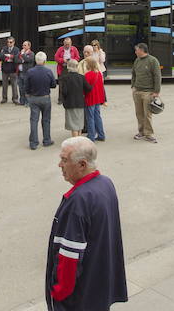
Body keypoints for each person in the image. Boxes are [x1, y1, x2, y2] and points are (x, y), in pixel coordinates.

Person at [46, 137, 127, 310]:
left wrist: (58, 293)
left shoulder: (78, 200)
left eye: (64, 160)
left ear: (82, 165)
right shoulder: (106, 183)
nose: (60, 165)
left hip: (81, 297)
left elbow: (69, 257)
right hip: (99, 286)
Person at [23, 51, 57, 150]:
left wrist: (28, 94)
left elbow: (26, 86)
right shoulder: (48, 71)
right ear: (45, 61)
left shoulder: (30, 71)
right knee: (46, 120)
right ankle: (46, 140)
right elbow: (53, 85)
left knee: (34, 120)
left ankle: (33, 143)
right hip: (45, 98)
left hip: (33, 98)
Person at [131, 43, 161, 143]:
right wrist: (133, 86)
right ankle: (141, 132)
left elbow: (157, 76)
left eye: (136, 50)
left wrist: (156, 91)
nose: (135, 52)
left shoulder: (153, 60)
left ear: (142, 50)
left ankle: (149, 134)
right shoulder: (137, 60)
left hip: (148, 92)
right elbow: (133, 73)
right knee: (139, 113)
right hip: (137, 91)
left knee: (147, 114)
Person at [59, 59, 91, 138]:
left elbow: (64, 92)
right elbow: (88, 88)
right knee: (79, 124)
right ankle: (79, 139)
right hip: (80, 103)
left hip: (70, 103)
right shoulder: (81, 77)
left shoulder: (65, 78)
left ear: (68, 67)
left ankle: (76, 142)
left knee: (73, 125)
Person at [82, 58, 107, 142]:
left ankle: (91, 136)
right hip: (97, 98)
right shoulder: (99, 74)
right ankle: (101, 135)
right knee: (97, 116)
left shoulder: (87, 75)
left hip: (90, 98)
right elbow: (101, 88)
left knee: (90, 118)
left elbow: (85, 88)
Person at [0, 37, 21, 104]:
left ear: (14, 42)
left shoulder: (16, 49)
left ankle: (15, 99)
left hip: (13, 70)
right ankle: (4, 98)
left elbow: (17, 58)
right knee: (4, 85)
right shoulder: (4, 48)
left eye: (11, 42)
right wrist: (10, 57)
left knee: (14, 85)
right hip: (5, 70)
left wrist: (10, 56)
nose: (9, 43)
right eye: (8, 42)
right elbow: (1, 56)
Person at [17, 40, 36, 108]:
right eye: (23, 45)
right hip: (20, 73)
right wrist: (23, 59)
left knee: (27, 88)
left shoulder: (31, 53)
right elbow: (16, 60)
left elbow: (29, 60)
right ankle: (22, 101)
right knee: (21, 88)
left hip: (27, 73)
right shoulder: (20, 53)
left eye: (25, 45)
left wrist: (23, 56)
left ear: (29, 46)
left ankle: (28, 102)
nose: (23, 46)